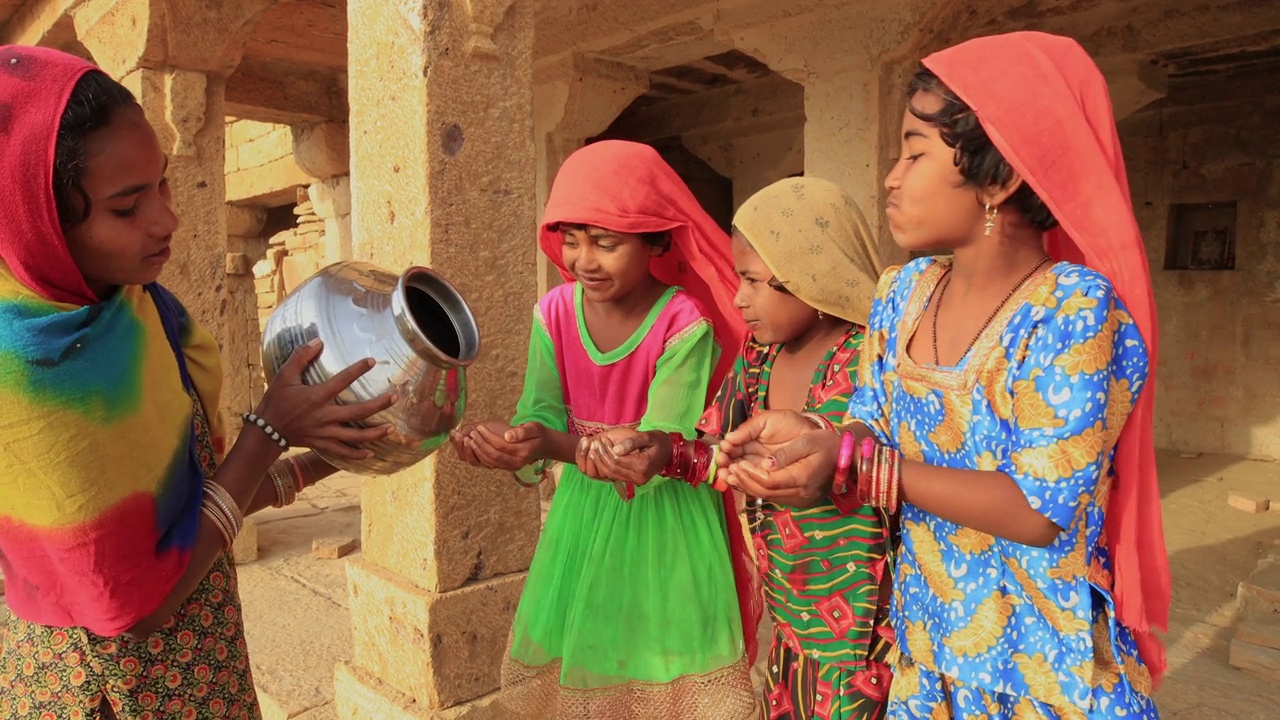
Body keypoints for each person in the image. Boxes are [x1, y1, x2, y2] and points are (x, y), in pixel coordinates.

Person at [715, 32, 1170, 719]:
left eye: (915, 152)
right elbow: (868, 419)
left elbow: (1037, 509)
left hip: (1042, 669)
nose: (892, 177)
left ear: (999, 177)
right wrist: (814, 434)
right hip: (927, 655)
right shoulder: (902, 295)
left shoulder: (1071, 310)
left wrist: (862, 467)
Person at [0, 46, 392, 719]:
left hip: (194, 650)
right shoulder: (33, 376)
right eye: (127, 208)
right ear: (39, 219)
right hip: (116, 686)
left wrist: (316, 461)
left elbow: (184, 507)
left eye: (164, 186)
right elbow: (135, 608)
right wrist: (269, 431)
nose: (165, 220)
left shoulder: (122, 304)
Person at [450, 140, 756, 718]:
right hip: (583, 516)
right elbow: (539, 410)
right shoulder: (555, 313)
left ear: (658, 240)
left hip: (666, 519)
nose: (582, 260)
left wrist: (553, 445)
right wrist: (516, 443)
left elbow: (656, 444)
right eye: (570, 240)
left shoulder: (683, 320)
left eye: (605, 243)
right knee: (592, 659)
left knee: (660, 664)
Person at [591, 176, 895, 719]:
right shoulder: (760, 359)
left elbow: (895, 470)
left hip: (869, 646)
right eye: (739, 278)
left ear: (812, 278)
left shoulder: (874, 364)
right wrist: (662, 451)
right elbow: (720, 456)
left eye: (755, 281)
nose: (738, 299)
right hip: (788, 631)